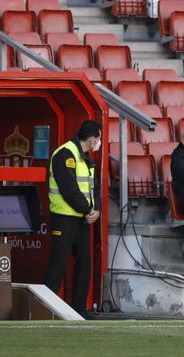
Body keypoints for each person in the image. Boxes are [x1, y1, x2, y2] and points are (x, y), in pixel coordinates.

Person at [43, 120, 102, 313]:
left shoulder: (86, 157)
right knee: (58, 262)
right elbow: (69, 189)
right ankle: (45, 309)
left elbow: (94, 187)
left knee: (84, 263)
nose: (98, 142)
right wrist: (88, 210)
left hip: (82, 218)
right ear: (92, 140)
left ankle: (78, 311)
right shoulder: (65, 153)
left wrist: (97, 209)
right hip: (64, 217)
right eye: (98, 138)